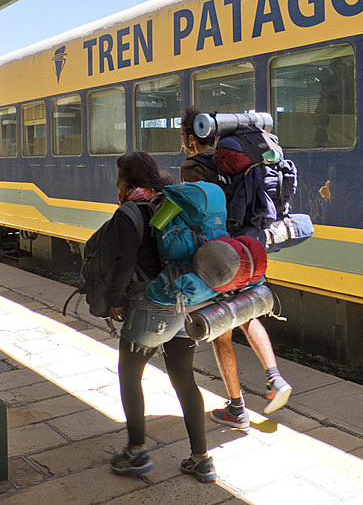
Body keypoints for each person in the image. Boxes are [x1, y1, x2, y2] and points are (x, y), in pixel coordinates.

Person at [107, 151, 216, 483]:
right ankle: (202, 459)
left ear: (125, 180)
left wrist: (114, 302)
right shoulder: (172, 201)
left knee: (130, 375)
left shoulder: (130, 211)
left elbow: (124, 265)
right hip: (187, 301)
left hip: (151, 306)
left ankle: (137, 452)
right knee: (185, 379)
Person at [181, 106, 293, 430]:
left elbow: (197, 218)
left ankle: (236, 407)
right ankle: (274, 378)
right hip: (248, 245)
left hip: (221, 256)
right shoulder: (231, 159)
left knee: (222, 332)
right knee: (249, 315)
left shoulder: (192, 168)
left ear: (190, 139)